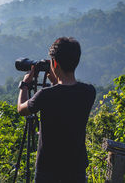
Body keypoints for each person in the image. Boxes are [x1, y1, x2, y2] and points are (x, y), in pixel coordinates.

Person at [17, 37, 96, 183]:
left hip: (48, 171)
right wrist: (55, 81)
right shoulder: (89, 92)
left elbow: (22, 109)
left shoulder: (45, 95)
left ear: (54, 63)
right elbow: (65, 101)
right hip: (76, 169)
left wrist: (25, 85)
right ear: (76, 61)